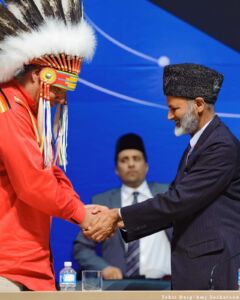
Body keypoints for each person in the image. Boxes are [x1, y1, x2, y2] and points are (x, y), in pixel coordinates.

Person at [84, 63, 240, 290]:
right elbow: (175, 204)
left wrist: (117, 215)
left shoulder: (220, 146)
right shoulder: (198, 146)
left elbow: (179, 201)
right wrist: (117, 222)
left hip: (211, 269)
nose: (169, 116)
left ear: (198, 105)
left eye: (174, 108)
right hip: (195, 268)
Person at [0, 0, 97, 292]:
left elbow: (48, 171)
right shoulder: (8, 109)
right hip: (9, 269)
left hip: (24, 265)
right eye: (57, 89)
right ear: (36, 75)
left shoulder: (24, 111)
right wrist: (82, 215)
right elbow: (33, 183)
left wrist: (80, 208)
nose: (60, 99)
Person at [73, 133, 171, 280]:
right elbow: (81, 248)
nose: (131, 164)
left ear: (146, 167)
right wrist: (104, 269)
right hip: (120, 287)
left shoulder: (167, 194)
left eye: (136, 159)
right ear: (116, 170)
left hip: (165, 285)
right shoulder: (103, 202)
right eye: (124, 160)